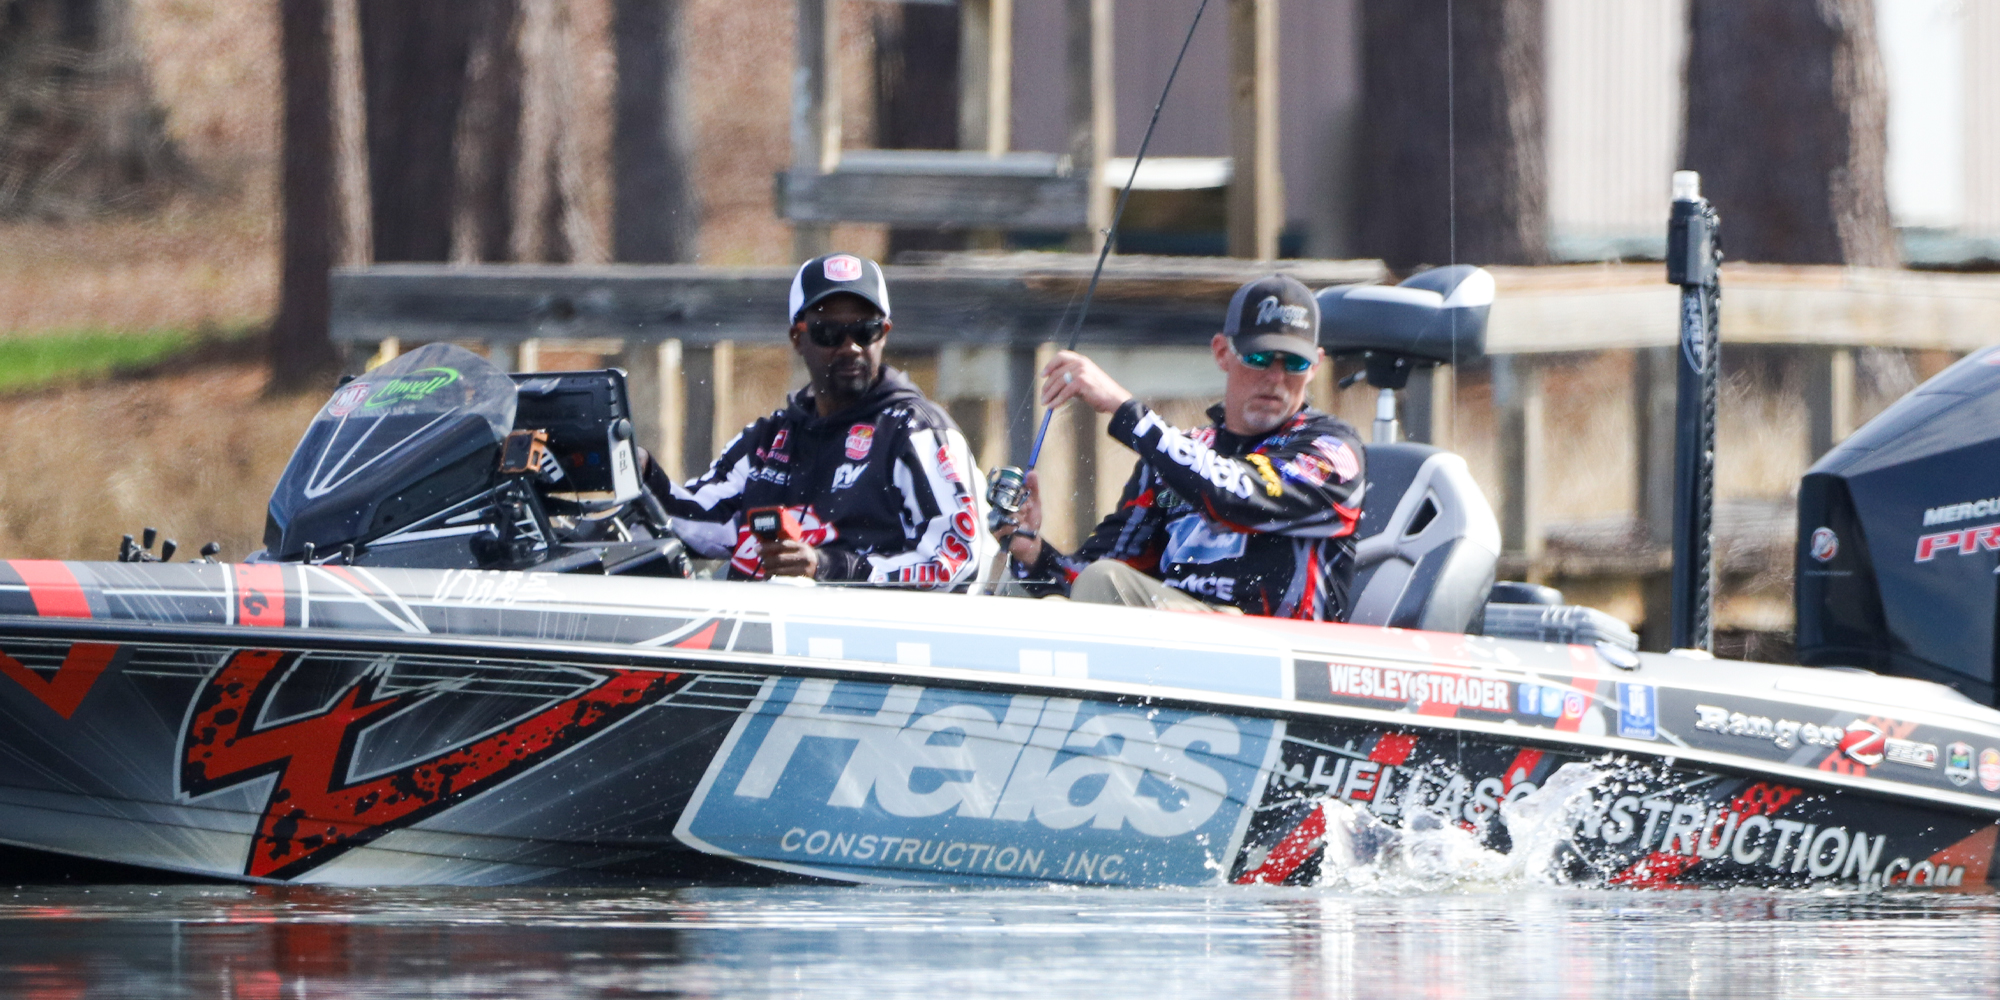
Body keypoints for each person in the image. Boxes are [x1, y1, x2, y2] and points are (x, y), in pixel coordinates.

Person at [991, 274, 1366, 620]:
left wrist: (1125, 411)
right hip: (1179, 650)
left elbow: (1236, 495)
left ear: (1315, 366)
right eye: (1259, 358)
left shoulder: (1332, 451)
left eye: (1294, 363)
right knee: (1028, 600)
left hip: (1275, 656)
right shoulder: (1175, 457)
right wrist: (1031, 551)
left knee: (1103, 583)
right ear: (1222, 352)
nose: (1275, 377)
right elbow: (1084, 579)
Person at [645, 252, 995, 587]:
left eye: (865, 331)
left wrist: (826, 566)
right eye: (829, 333)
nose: (851, 347)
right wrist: (641, 473)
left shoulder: (916, 433)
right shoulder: (768, 439)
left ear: (884, 333)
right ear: (799, 338)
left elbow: (958, 559)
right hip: (753, 635)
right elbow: (701, 521)